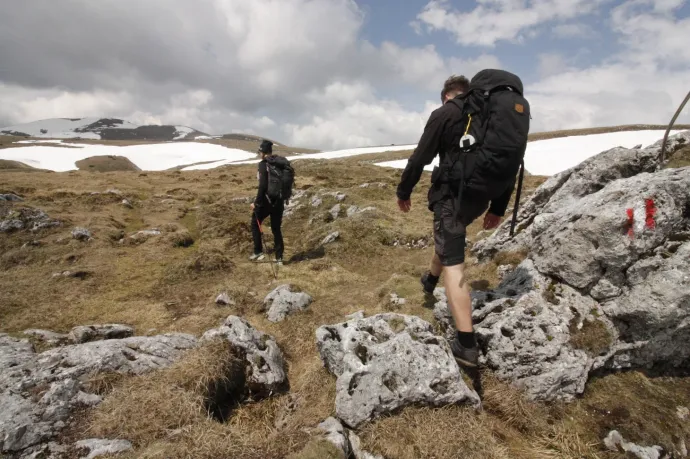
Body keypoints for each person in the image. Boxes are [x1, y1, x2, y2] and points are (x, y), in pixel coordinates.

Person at [395, 74, 518, 368]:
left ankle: (466, 344)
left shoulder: (446, 113)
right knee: (448, 240)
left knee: (454, 261)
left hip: (452, 196)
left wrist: (404, 190)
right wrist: (498, 208)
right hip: (482, 197)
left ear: (445, 95)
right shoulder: (492, 115)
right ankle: (430, 280)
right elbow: (510, 161)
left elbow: (420, 157)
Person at [250, 139, 285, 265]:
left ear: (263, 152)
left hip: (266, 201)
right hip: (279, 201)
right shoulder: (280, 164)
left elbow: (263, 185)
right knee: (276, 228)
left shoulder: (263, 164)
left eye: (260, 152)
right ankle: (279, 257)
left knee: (255, 222)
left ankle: (258, 251)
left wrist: (256, 203)